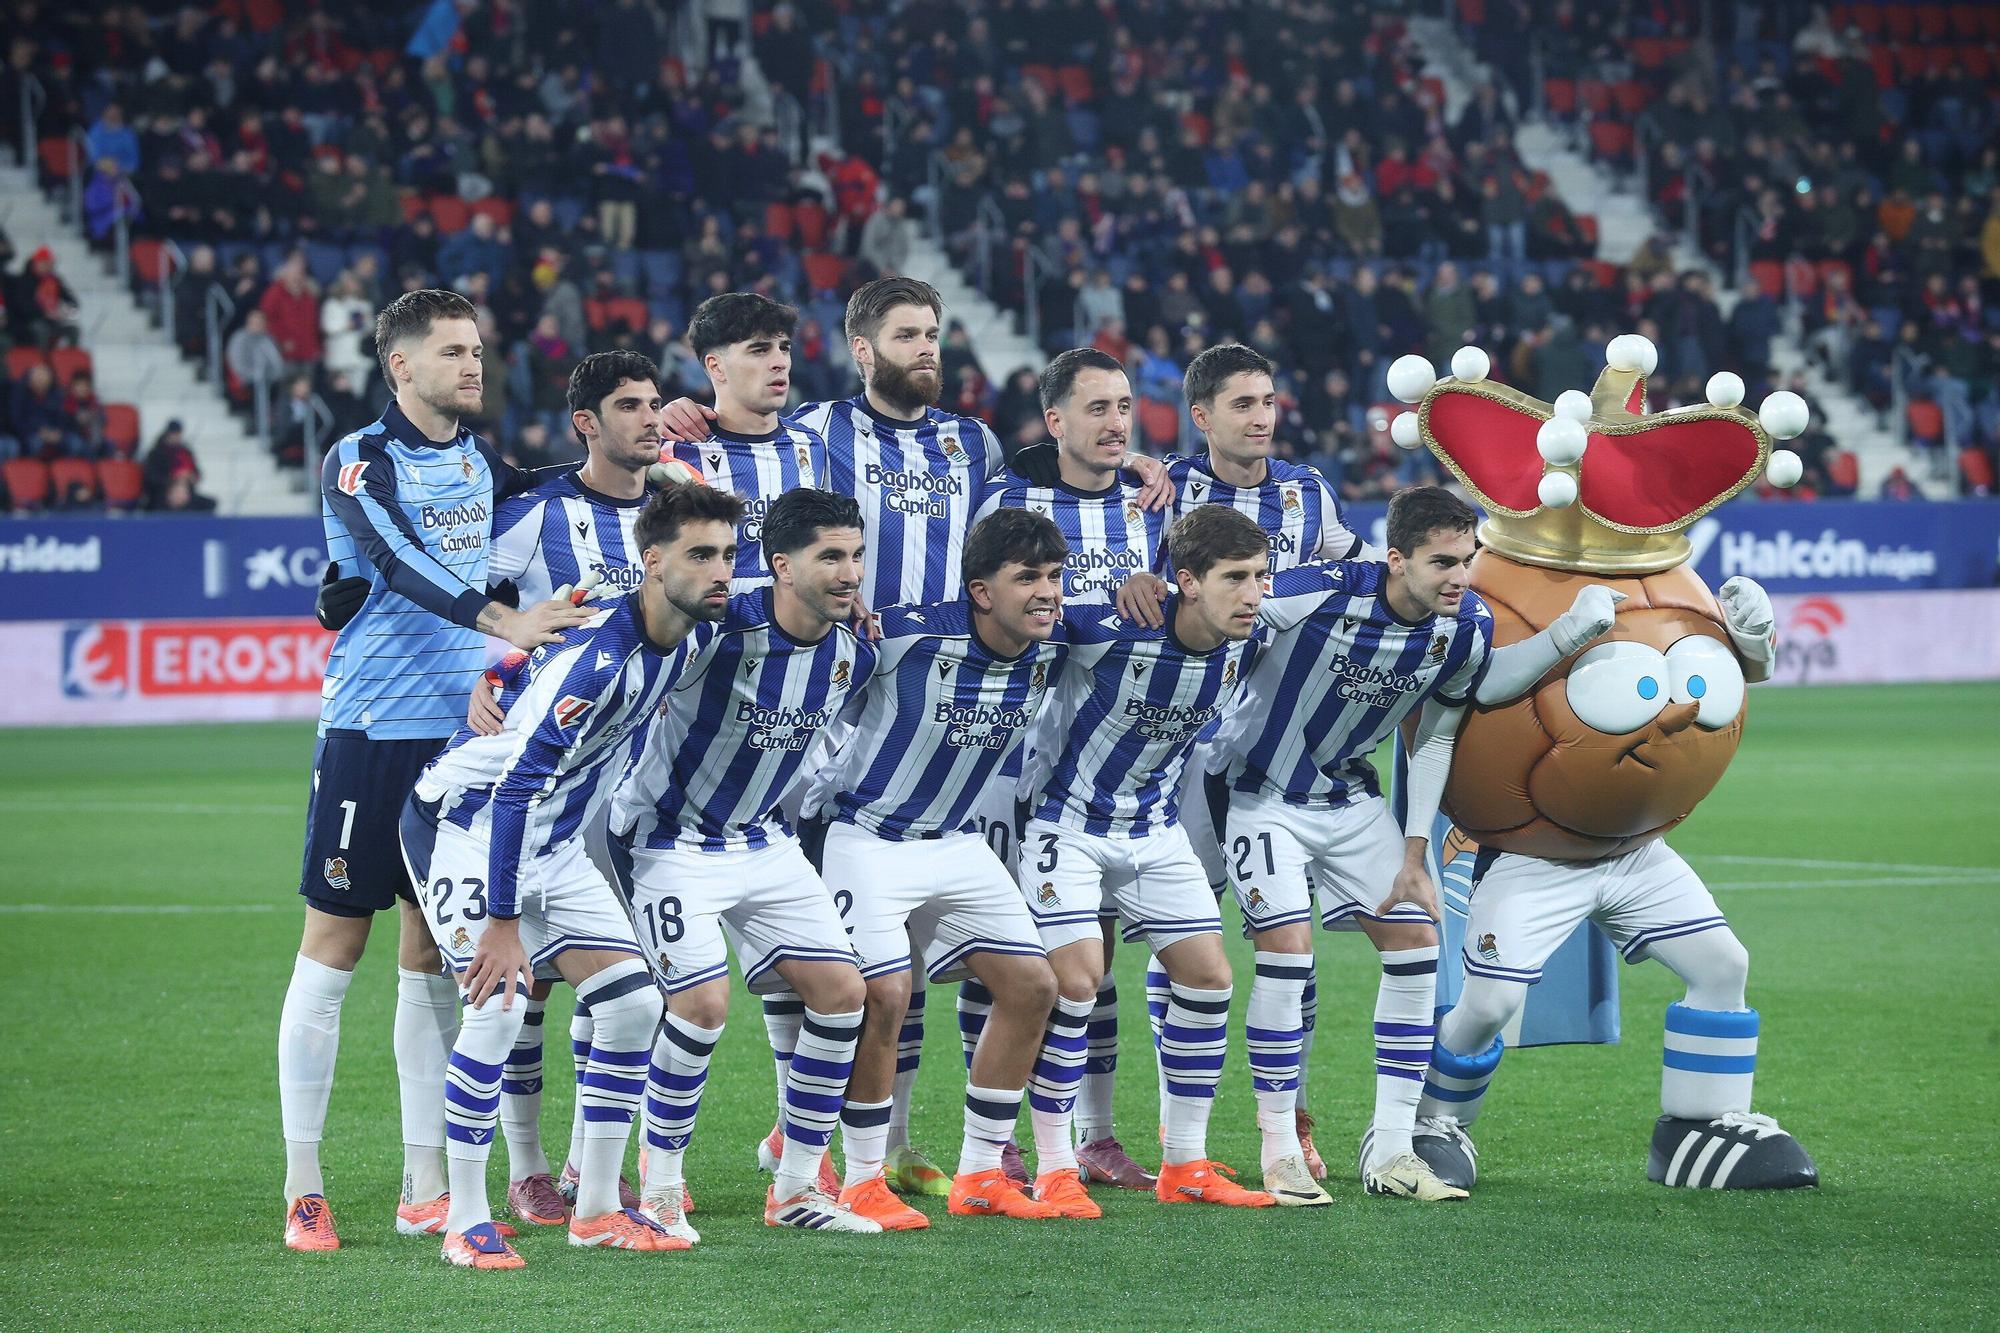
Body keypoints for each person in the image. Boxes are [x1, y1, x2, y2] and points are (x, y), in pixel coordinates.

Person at [660, 277, 1171, 1200]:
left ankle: (913, 1146)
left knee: (940, 953)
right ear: (862, 348)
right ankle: (806, 1134)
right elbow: (748, 441)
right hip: (852, 684)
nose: (928, 347)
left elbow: (1031, 483)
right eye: (907, 334)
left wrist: (1120, 460)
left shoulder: (971, 441)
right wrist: (685, 413)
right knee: (847, 955)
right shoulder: (818, 431)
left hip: (964, 698)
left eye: (934, 332)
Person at [277, 289, 594, 1254]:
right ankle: (304, 1183)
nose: (473, 364)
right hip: (373, 732)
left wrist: (631, 445)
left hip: (459, 747)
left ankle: (424, 1183)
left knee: (430, 958)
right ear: (399, 367)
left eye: (477, 348)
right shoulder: (359, 460)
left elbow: (548, 486)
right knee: (334, 948)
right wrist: (506, 623)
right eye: (452, 351)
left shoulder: (473, 457)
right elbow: (399, 562)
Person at [1212, 486, 1616, 1202]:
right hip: (1261, 796)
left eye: (1467, 559)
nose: (1460, 576)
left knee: (1418, 945)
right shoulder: (1318, 592)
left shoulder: (1463, 629)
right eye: (1442, 562)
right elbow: (1223, 615)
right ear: (1395, 559)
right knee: (1286, 958)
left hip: (1350, 799)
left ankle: (1393, 1152)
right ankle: (1279, 1148)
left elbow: (1436, 737)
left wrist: (1413, 849)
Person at [397, 481, 746, 1267]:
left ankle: (594, 1208)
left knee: (629, 1007)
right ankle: (464, 1218)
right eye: (701, 554)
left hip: (551, 841)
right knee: (495, 1006)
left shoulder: (689, 633)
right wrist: (504, 921)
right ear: (653, 563)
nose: (721, 569)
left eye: (728, 553)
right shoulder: (599, 661)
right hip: (467, 824)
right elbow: (515, 787)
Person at [608, 488, 883, 1238]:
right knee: (700, 1007)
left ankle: (796, 1186)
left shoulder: (851, 651)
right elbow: (621, 632)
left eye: (856, 554)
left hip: (762, 839)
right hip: (668, 838)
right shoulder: (715, 628)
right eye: (831, 555)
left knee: (841, 992)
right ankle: (659, 1188)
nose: (849, 571)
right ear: (780, 565)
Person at [807, 509, 1073, 1228]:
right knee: (886, 996)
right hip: (866, 835)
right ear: (981, 591)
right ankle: (861, 1178)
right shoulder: (901, 635)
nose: (1048, 593)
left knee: (1034, 984)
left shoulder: (1057, 642)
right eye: (1029, 579)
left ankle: (982, 1171)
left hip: (955, 841)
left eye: (1054, 576)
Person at [1015, 505, 1276, 1209]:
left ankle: (1185, 1163)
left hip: (1155, 831)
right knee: (1076, 983)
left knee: (1209, 978)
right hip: (1064, 824)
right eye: (1236, 578)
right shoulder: (1108, 630)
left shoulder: (1245, 641)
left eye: (1260, 576)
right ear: (1186, 580)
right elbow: (1023, 615)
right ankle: (1054, 1165)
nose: (1254, 593)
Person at [1150, 343, 1370, 1176]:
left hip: (1280, 749)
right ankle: (1175, 1135)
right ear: (1201, 416)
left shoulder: (1309, 491)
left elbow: (1352, 568)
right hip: (1185, 750)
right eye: (1242, 403)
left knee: (1290, 944)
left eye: (1269, 400)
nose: (1262, 416)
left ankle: (1295, 1114)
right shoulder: (1165, 491)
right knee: (1186, 937)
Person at [971, 346, 1169, 1191]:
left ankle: (1093, 1131)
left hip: (1102, 757)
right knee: (1001, 949)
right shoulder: (1005, 499)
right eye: (1096, 408)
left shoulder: (1152, 502)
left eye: (1124, 406)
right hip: (1004, 752)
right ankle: (998, 1138)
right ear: (1055, 422)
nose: (1116, 423)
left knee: (1098, 949)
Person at [661, 292, 829, 593]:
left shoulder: (812, 445)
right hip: (713, 637)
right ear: (716, 367)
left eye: (784, 348)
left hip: (805, 636)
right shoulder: (673, 451)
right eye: (759, 350)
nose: (780, 362)